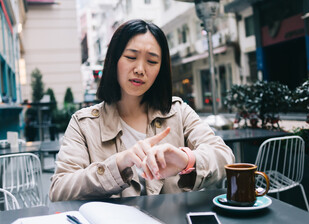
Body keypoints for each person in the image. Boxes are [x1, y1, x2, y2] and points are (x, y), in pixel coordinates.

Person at [49, 19, 234, 201]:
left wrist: (187, 159)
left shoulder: (178, 112)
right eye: (131, 57)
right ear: (114, 60)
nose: (140, 69)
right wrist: (119, 163)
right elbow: (60, 189)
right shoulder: (83, 124)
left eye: (152, 61)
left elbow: (224, 157)